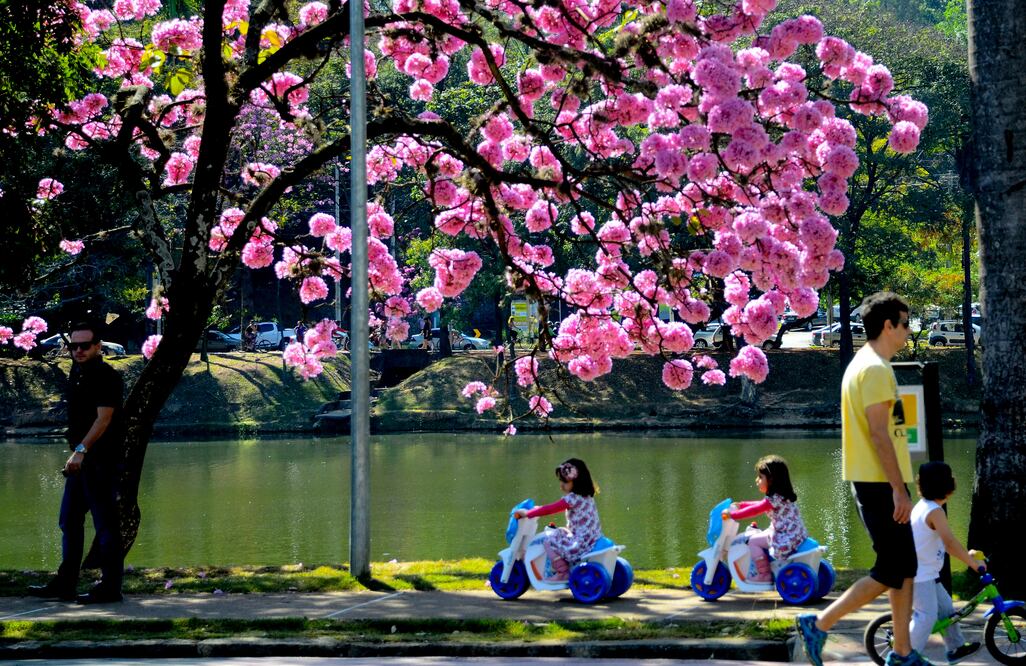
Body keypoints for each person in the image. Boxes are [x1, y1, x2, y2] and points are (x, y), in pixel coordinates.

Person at [796, 292, 923, 666]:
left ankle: (902, 653)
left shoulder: (866, 364)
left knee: (904, 569)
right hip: (880, 484)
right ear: (888, 326)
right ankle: (819, 623)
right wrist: (899, 490)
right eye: (904, 323)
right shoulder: (875, 370)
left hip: (880, 482)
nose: (908, 331)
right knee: (890, 570)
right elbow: (880, 434)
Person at [28, 321, 124, 604]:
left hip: (101, 460)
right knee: (69, 520)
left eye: (84, 345)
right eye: (74, 346)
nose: (78, 350)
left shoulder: (107, 376)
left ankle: (110, 587)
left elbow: (103, 419)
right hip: (80, 460)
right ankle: (66, 582)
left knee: (105, 525)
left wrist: (81, 449)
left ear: (98, 347)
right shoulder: (77, 372)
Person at [909, 462, 982, 664]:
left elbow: (941, 541)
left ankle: (956, 648)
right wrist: (974, 564)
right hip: (919, 575)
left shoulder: (925, 506)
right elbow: (950, 544)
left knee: (946, 610)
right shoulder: (934, 511)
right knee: (927, 616)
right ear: (947, 485)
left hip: (927, 572)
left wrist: (968, 554)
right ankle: (904, 656)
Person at [513, 458, 602, 582]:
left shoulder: (573, 498)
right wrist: (537, 509)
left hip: (581, 544)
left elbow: (551, 509)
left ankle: (562, 572)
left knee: (548, 541)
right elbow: (552, 507)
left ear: (576, 481)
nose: (561, 485)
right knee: (560, 531)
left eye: (564, 482)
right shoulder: (586, 496)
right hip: (590, 539)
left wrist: (528, 513)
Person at [724, 455, 809, 583]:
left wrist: (733, 515)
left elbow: (756, 510)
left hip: (785, 535)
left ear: (771, 480)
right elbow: (759, 505)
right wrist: (741, 504)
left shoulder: (774, 499)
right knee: (759, 535)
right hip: (795, 533)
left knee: (753, 542)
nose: (757, 480)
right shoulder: (780, 496)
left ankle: (764, 575)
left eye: (760, 477)